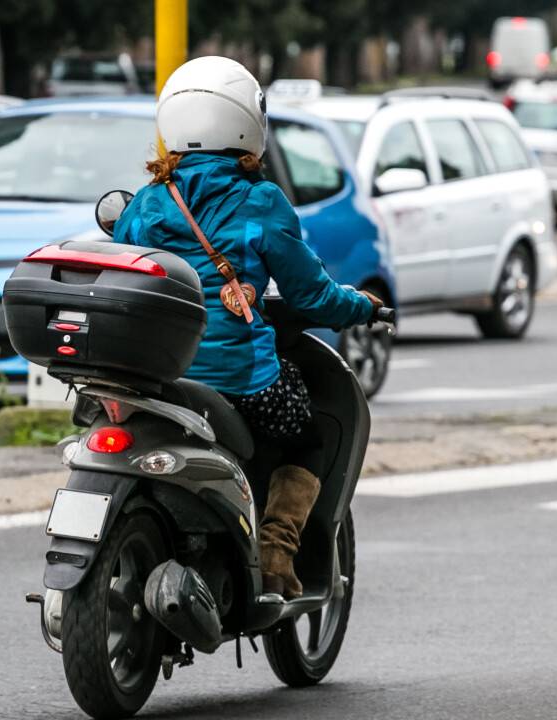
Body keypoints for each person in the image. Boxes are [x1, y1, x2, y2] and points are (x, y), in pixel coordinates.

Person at [113, 56, 382, 599]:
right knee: (307, 439)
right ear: (246, 123)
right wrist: (362, 307)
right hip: (239, 379)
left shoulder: (144, 204)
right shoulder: (260, 202)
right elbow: (312, 295)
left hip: (157, 378)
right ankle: (277, 553)